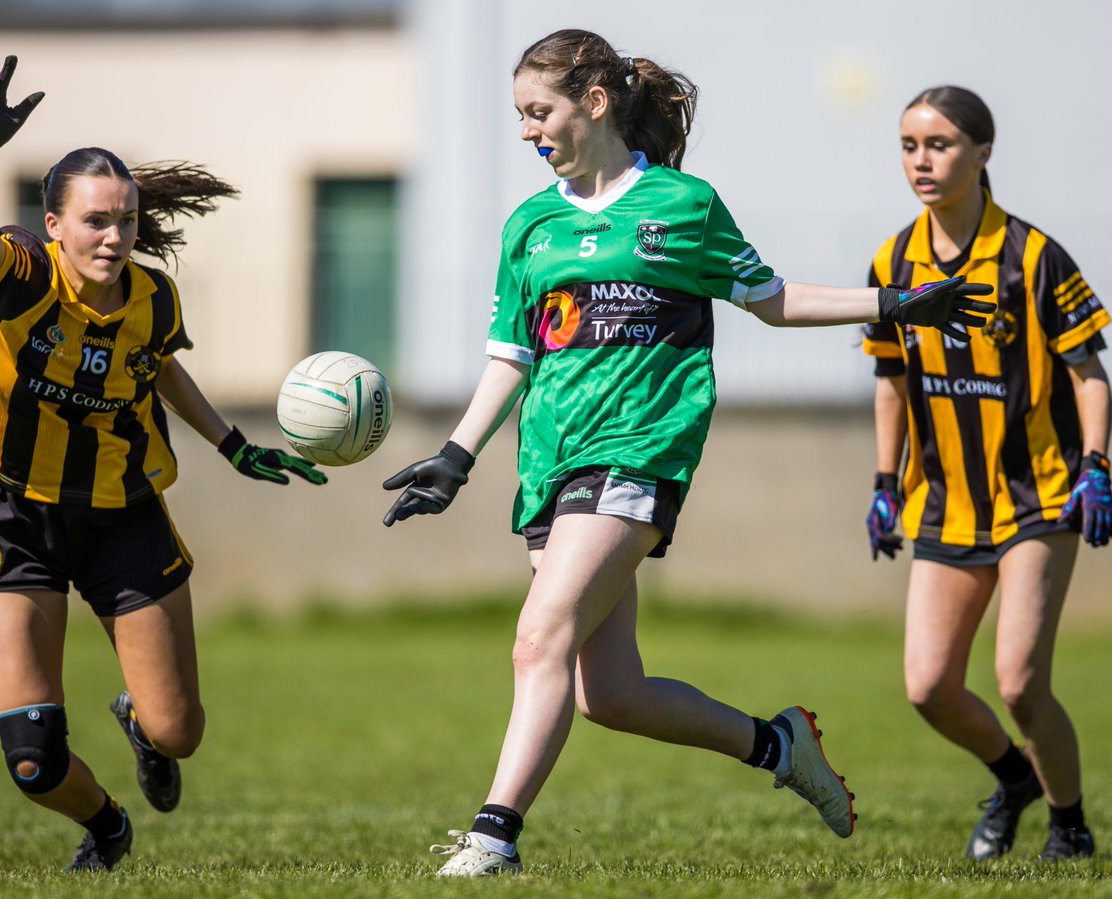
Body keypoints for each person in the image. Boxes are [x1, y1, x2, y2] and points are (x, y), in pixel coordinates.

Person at [380, 29, 995, 877]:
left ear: (593, 103)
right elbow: (512, 354)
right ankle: (780, 745)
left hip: (639, 451)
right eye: (520, 115)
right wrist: (456, 454)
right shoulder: (531, 224)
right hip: (549, 461)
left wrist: (891, 302)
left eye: (538, 112)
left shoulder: (682, 205)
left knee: (537, 640)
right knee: (610, 694)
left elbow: (773, 298)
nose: (527, 131)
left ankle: (493, 836)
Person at [0, 55, 328, 873]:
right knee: (32, 760)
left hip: (123, 516)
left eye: (125, 220)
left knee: (176, 732)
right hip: (15, 517)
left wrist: (231, 443)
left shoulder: (154, 298)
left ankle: (137, 722)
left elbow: (160, 366)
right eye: (95, 221)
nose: (114, 236)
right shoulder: (17, 277)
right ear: (54, 225)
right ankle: (109, 823)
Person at [863, 85, 1110, 861]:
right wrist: (883, 480)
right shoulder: (894, 261)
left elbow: (1089, 372)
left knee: (1017, 682)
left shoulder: (1033, 257)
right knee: (928, 687)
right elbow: (891, 380)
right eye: (909, 145)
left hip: (1041, 493)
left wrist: (1097, 465)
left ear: (982, 152)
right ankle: (1014, 779)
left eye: (939, 144)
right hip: (945, 503)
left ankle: (1069, 825)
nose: (921, 161)